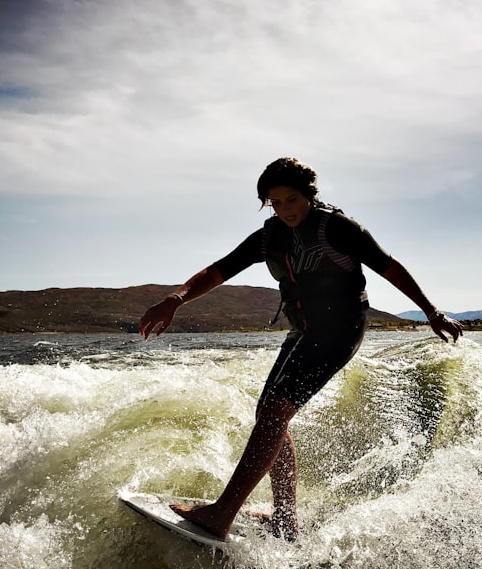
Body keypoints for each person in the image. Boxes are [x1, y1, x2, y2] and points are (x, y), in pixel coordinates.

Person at [140, 157, 462, 541]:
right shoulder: (268, 236)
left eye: (291, 200)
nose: (285, 210)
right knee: (269, 415)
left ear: (309, 195)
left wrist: (432, 312)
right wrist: (175, 299)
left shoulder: (339, 228)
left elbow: (390, 267)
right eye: (275, 203)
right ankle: (285, 519)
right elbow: (220, 269)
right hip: (302, 331)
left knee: (276, 412)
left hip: (340, 331)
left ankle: (222, 512)